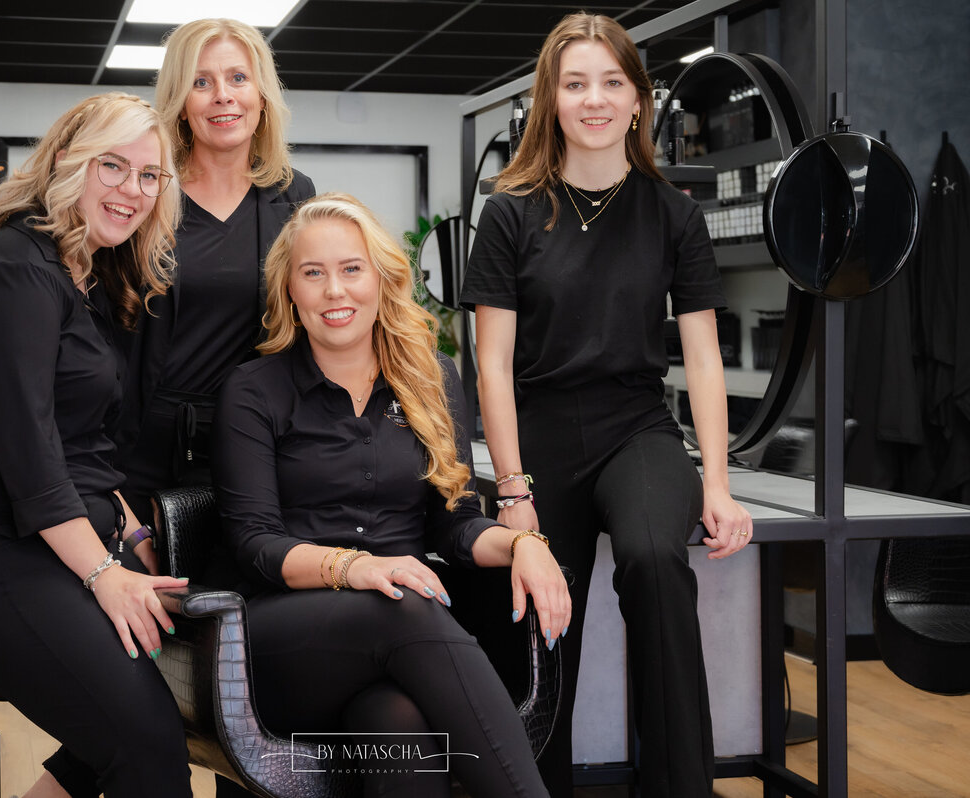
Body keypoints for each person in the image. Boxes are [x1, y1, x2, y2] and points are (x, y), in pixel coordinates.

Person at [460, 13, 755, 797]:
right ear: (551, 99)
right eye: (575, 83)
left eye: (611, 82)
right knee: (540, 616)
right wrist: (513, 492)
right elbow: (491, 365)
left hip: (638, 430)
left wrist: (718, 484)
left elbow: (702, 357)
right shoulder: (511, 211)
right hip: (543, 435)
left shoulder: (674, 214)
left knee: (656, 562)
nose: (594, 99)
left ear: (638, 99)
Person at [0, 93, 193, 798]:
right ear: (67, 162)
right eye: (113, 165)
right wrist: (104, 574)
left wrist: (134, 535)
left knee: (157, 701)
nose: (132, 189)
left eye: (150, 175)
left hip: (40, 538)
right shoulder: (15, 270)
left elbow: (83, 446)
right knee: (147, 740)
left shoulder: (85, 276)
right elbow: (29, 452)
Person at [211, 193, 572, 798]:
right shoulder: (254, 390)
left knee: (398, 725)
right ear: (290, 291)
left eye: (352, 269)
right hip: (284, 643)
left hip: (402, 645)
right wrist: (355, 568)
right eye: (313, 273)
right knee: (400, 602)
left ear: (382, 277)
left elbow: (454, 524)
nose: (335, 290)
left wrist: (523, 544)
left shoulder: (432, 378)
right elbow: (254, 544)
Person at [117, 17, 315, 523]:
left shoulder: (294, 194)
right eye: (201, 82)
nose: (222, 95)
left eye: (238, 78)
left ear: (262, 95)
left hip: (258, 440)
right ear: (181, 103)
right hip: (146, 443)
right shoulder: (148, 191)